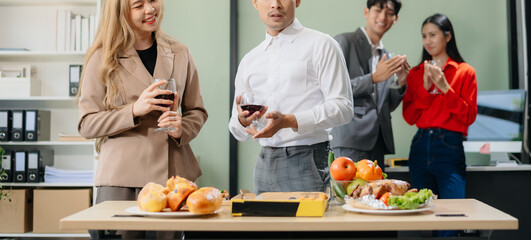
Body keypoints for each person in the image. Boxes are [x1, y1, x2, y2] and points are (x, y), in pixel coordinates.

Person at [77, 0, 207, 238]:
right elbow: (87, 124)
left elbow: (197, 111)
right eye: (138, 5)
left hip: (172, 182)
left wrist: (181, 128)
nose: (150, 9)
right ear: (120, 11)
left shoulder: (180, 52)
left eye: (153, 0)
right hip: (121, 180)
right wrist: (134, 110)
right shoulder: (102, 57)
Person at [228, 0, 353, 194]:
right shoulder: (249, 60)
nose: (275, 4)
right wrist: (242, 121)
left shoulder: (322, 44)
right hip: (263, 164)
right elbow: (236, 127)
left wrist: (289, 121)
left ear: (297, 1)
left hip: (307, 161)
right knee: (264, 225)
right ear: (255, 2)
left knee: (309, 225)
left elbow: (343, 108)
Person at [402, 13, 477, 237]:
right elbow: (409, 117)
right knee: (420, 215)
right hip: (420, 144)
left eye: (433, 34)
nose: (428, 40)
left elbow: (469, 116)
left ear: (448, 36)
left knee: (452, 217)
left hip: (450, 146)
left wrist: (445, 87)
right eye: (424, 36)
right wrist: (425, 88)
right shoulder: (415, 74)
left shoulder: (465, 72)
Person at [330, 0, 409, 169]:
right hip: (350, 139)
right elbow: (334, 90)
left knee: (373, 195)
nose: (383, 17)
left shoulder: (386, 55)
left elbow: (385, 105)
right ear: (366, 12)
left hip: (378, 142)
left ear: (395, 19)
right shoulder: (344, 42)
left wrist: (401, 82)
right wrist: (373, 77)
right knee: (349, 194)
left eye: (389, 13)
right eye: (378, 10)